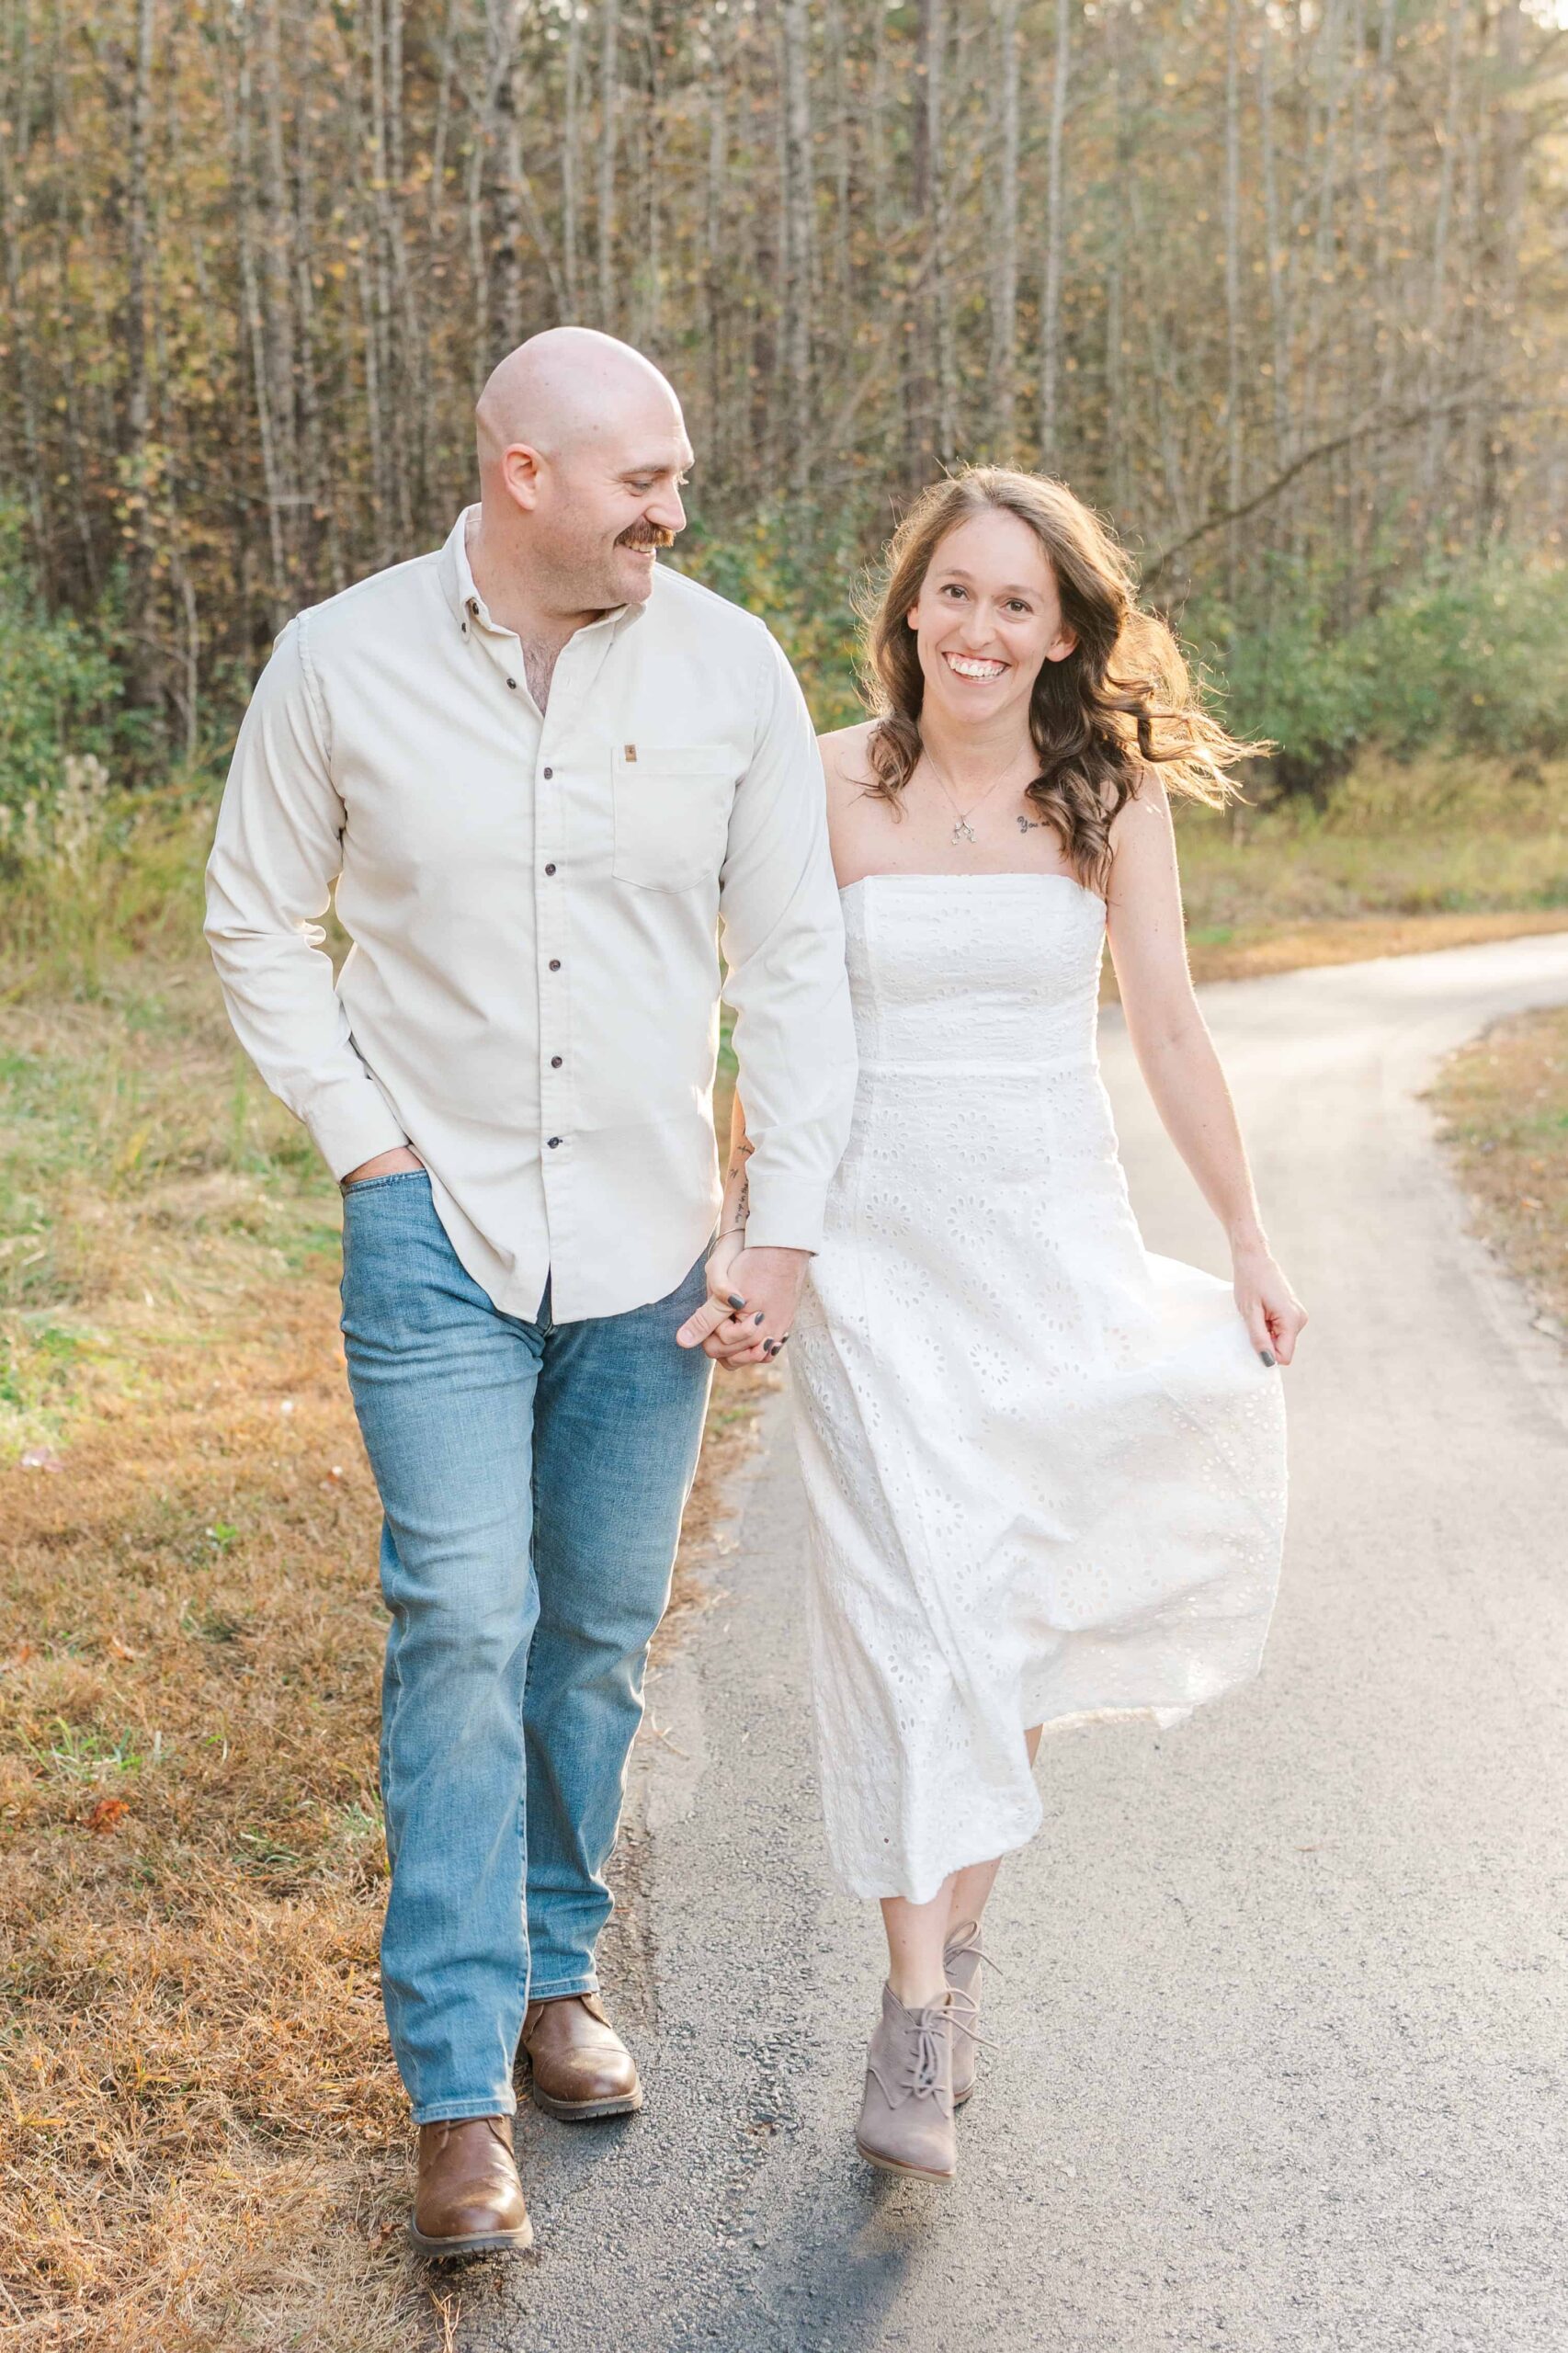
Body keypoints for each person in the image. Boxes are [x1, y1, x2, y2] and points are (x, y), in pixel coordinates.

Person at [205, 328, 856, 2256]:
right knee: (463, 1616)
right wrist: (356, 1131)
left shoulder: (730, 663)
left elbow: (795, 959)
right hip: (436, 1229)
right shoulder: (339, 658)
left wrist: (782, 1221)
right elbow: (257, 909)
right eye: (643, 476)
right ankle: (457, 2082)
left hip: (657, 1241)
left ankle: (559, 1969)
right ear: (522, 475)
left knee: (591, 1632)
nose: (676, 506)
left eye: (676, 475)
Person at [678, 466, 1302, 2186]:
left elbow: (1168, 1029)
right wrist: (747, 1235)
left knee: (1003, 1606)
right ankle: (908, 2006)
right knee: (898, 1614)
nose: (975, 626)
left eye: (1013, 602)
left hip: (1045, 1244)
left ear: (1060, 632)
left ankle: (955, 1955)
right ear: (907, 610)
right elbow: (771, 1025)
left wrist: (1244, 1233)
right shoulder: (820, 784)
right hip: (874, 1254)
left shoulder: (1104, 799)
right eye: (951, 592)